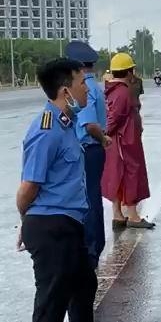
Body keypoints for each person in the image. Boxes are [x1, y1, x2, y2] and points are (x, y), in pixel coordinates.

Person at [16, 58, 97, 322]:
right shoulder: (47, 129)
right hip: (52, 228)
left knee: (84, 288)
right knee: (51, 306)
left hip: (69, 225)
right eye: (81, 83)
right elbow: (28, 187)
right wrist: (27, 222)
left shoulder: (66, 124)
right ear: (66, 91)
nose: (87, 88)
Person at [65, 41, 111, 271]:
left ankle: (90, 249)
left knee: (88, 199)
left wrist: (102, 139)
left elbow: (90, 123)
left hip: (88, 149)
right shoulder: (96, 86)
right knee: (93, 196)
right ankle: (93, 245)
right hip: (94, 150)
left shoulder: (85, 89)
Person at [102, 53, 155, 229]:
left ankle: (118, 214)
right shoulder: (123, 92)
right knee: (131, 173)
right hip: (125, 141)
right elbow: (114, 118)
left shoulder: (112, 90)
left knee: (117, 175)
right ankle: (132, 215)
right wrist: (105, 135)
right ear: (129, 72)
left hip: (119, 141)